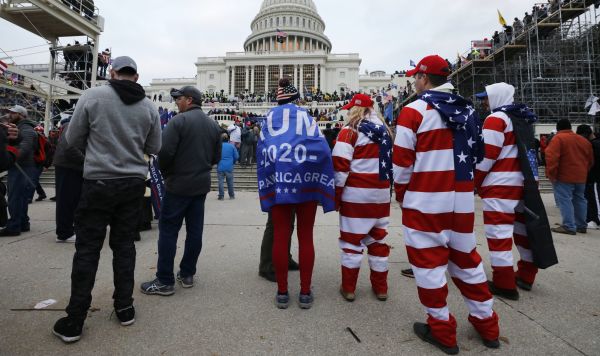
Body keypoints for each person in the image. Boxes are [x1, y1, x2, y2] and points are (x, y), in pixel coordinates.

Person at [393, 55, 500, 354]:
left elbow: (401, 164)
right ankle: (488, 326)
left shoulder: (413, 111)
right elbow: (479, 154)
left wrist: (402, 195)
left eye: (416, 77)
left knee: (428, 265)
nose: (414, 81)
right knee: (468, 262)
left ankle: (442, 330)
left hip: (426, 199)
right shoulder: (469, 111)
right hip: (461, 200)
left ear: (425, 78)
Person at [53, 56, 161, 343]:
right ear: (136, 77)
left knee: (88, 249)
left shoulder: (93, 96)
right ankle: (124, 307)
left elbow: (72, 138)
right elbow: (155, 147)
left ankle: (75, 319)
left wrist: (96, 154)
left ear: (112, 73)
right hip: (132, 184)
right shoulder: (149, 106)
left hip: (98, 181)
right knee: (124, 246)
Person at [257, 78, 335, 310]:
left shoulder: (270, 118)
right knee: (306, 236)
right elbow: (322, 149)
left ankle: (282, 292)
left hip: (281, 183)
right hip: (306, 184)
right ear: (296, 98)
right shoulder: (306, 117)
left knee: (281, 235)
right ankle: (305, 292)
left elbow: (262, 153)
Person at [141, 85, 221, 296]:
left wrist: (167, 173)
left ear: (189, 100)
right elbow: (216, 158)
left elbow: (164, 153)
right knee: (195, 231)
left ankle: (165, 279)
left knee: (168, 231)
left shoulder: (178, 121)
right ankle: (187, 274)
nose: (176, 102)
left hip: (178, 185)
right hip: (200, 185)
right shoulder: (213, 125)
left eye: (179, 99)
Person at [474, 83, 540, 299]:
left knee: (498, 234)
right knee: (524, 232)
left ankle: (504, 282)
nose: (484, 102)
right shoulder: (522, 118)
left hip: (501, 184)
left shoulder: (495, 119)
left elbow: (487, 155)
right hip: (525, 183)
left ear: (497, 97)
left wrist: (475, 182)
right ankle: (527, 274)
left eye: (486, 97)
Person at [332, 93, 392, 302]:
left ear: (356, 109)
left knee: (351, 241)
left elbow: (340, 168)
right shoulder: (386, 132)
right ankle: (381, 288)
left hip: (356, 194)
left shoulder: (349, 131)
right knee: (378, 241)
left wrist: (336, 196)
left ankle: (349, 288)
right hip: (382, 194)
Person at [545, 119, 593, 235]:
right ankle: (581, 225)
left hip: (563, 176)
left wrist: (551, 174)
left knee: (565, 200)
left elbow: (552, 158)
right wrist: (584, 171)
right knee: (580, 199)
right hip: (581, 176)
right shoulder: (583, 140)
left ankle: (569, 225)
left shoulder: (558, 138)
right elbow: (590, 160)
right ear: (570, 127)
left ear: (557, 128)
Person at [0, 106, 39, 237]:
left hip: (21, 167)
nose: (9, 115)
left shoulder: (26, 129)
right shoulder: (21, 127)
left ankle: (14, 226)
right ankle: (23, 223)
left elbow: (24, 149)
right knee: (20, 198)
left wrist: (9, 157)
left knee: (15, 198)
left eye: (13, 113)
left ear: (21, 115)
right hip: (21, 167)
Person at [53, 116, 84, 243]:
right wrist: (86, 161)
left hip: (70, 166)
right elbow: (69, 147)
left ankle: (67, 230)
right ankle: (64, 233)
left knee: (71, 200)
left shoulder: (72, 125)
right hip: (69, 166)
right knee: (66, 201)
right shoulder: (74, 125)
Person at [577, 125, 600, 229]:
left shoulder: (593, 145)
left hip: (594, 177)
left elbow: (590, 162)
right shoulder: (595, 143)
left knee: (594, 198)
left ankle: (596, 220)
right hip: (594, 177)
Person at [217, 133, 238, 200]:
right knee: (230, 182)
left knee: (220, 182)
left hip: (220, 166)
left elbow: (215, 156)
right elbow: (236, 156)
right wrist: (233, 161)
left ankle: (221, 196)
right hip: (229, 166)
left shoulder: (218, 146)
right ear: (228, 139)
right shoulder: (232, 146)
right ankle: (231, 196)